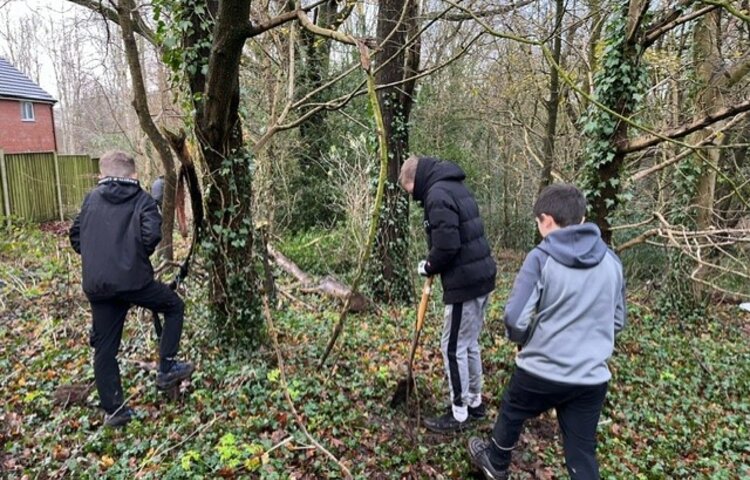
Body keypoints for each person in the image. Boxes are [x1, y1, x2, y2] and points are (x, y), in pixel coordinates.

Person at [467, 183, 627, 480]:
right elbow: (617, 322)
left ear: (547, 220)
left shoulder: (541, 258)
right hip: (590, 378)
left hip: (541, 369)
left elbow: (515, 318)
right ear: (581, 218)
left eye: (538, 222)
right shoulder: (612, 262)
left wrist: (524, 340)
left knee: (513, 410)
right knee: (581, 451)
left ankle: (496, 462)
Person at [69, 151, 193, 428]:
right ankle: (168, 367)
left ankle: (115, 411)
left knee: (105, 349)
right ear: (132, 174)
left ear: (102, 174)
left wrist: (98, 258)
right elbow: (153, 234)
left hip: (98, 286)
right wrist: (130, 258)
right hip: (134, 282)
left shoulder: (91, 200)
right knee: (174, 306)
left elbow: (75, 236)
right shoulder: (142, 199)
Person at [398, 155, 497, 434]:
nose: (413, 197)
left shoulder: (437, 195)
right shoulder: (453, 185)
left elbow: (447, 246)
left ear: (414, 181)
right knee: (469, 343)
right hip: (481, 276)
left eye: (410, 191)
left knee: (452, 347)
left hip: (464, 283)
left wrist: (428, 265)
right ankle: (474, 402)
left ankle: (459, 413)